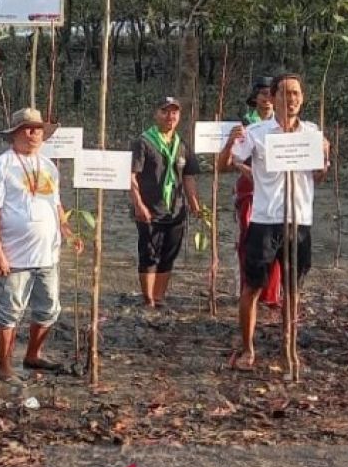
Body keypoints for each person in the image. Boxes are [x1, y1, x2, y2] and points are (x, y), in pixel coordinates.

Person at [218, 74, 329, 370]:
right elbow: (224, 166)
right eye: (285, 93)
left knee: (292, 290)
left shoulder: (312, 133)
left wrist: (326, 157)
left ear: (302, 98)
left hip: (300, 220)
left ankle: (288, 348)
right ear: (273, 98)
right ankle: (247, 349)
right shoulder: (257, 132)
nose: (291, 99)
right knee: (252, 287)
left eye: (296, 93)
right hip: (265, 221)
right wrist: (230, 144)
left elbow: (318, 176)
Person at [0, 108, 83, 379]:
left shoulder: (49, 165)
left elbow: (56, 203)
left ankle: (33, 355)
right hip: (15, 255)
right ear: (14, 134)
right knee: (10, 311)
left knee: (49, 307)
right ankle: (5, 367)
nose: (34, 134)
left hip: (48, 253)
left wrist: (68, 231)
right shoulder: (0, 166)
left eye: (38, 129)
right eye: (28, 129)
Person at [129, 96, 203, 308]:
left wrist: (195, 204)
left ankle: (159, 297)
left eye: (174, 112)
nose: (170, 116)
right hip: (150, 209)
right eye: (165, 111)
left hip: (176, 209)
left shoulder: (182, 144)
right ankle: (148, 299)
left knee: (169, 253)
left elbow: (188, 177)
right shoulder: (143, 142)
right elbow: (132, 176)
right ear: (156, 114)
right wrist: (138, 205)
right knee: (149, 253)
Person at [234, 77, 282, 309]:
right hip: (250, 188)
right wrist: (245, 170)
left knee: (278, 240)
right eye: (262, 94)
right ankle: (249, 288)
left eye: (270, 94)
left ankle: (271, 294)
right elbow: (234, 158)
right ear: (255, 98)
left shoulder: (283, 124)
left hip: (276, 190)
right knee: (249, 239)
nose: (266, 99)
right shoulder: (245, 124)